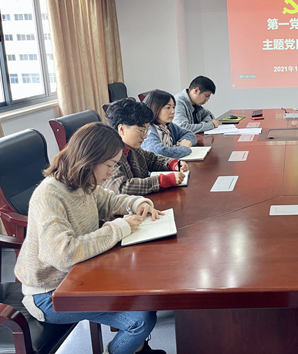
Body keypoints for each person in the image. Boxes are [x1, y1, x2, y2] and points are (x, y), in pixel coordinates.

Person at [14, 122, 166, 354]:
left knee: (144, 294)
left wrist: (137, 203)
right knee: (140, 320)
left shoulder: (83, 182)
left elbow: (109, 200)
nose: (112, 172)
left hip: (80, 277)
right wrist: (118, 228)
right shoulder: (49, 194)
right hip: (49, 294)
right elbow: (63, 255)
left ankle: (137, 350)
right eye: (109, 165)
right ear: (89, 159)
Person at [104, 98, 189, 195]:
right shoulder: (106, 154)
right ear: (122, 129)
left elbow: (151, 159)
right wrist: (162, 181)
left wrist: (172, 164)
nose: (145, 136)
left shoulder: (130, 147)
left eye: (146, 131)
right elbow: (123, 188)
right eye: (141, 131)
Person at [142, 89, 198, 158]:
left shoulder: (168, 126)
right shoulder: (148, 129)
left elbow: (190, 134)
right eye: (168, 107)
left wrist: (180, 144)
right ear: (154, 108)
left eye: (173, 107)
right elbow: (159, 152)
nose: (173, 111)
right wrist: (184, 148)